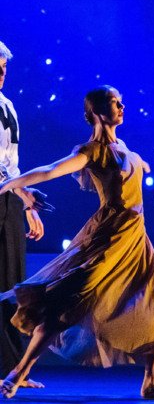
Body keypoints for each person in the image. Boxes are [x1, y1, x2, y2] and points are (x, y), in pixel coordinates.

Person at [0, 85, 154, 399]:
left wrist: (140, 163)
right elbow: (51, 171)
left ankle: (152, 380)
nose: (122, 107)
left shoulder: (125, 148)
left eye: (121, 102)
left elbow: (130, 166)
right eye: (116, 103)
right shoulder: (91, 151)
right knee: (65, 307)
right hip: (107, 238)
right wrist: (9, 184)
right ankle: (18, 372)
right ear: (98, 112)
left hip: (136, 240)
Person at [0, 41, 54, 390]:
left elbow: (10, 164)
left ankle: (13, 368)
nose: (1, 72)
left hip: (7, 200)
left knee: (11, 284)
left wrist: (25, 201)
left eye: (3, 67)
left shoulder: (8, 106)